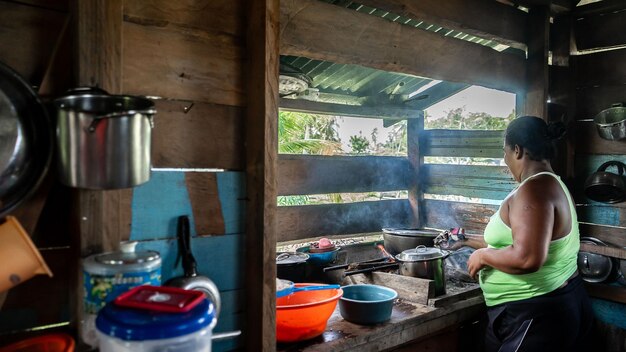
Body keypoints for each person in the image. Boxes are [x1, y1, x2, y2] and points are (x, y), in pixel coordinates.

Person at [442, 116, 594, 352]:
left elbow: (527, 258)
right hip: (548, 306)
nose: (505, 161)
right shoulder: (552, 184)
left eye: (504, 152)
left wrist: (482, 257)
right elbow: (516, 242)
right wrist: (466, 242)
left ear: (517, 150)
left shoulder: (534, 190)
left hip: (535, 313)